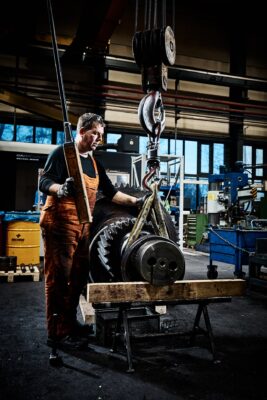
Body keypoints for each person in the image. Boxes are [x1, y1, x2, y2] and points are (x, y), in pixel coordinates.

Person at [39, 112, 146, 349]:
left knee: (78, 277)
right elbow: (44, 183)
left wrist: (137, 202)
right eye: (94, 133)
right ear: (81, 132)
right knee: (59, 280)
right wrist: (60, 188)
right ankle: (56, 333)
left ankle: (69, 324)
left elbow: (111, 193)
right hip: (60, 224)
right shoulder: (63, 154)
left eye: (101, 135)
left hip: (83, 225)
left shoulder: (95, 163)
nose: (98, 138)